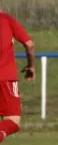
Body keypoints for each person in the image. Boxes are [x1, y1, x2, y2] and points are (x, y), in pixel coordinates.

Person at [0, 10, 35, 143]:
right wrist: (31, 66)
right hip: (6, 78)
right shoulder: (6, 20)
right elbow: (29, 44)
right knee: (12, 122)